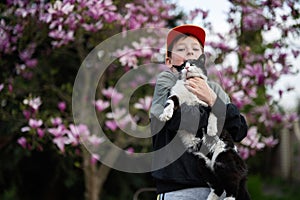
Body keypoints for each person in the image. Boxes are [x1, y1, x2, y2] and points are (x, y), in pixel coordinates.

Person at [150, 24, 248, 200]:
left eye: (195, 49)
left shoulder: (214, 90)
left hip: (219, 190)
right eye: (181, 49)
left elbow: (238, 130)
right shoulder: (166, 82)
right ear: (169, 61)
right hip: (179, 190)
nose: (189, 52)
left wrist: (212, 99)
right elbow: (178, 119)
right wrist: (215, 112)